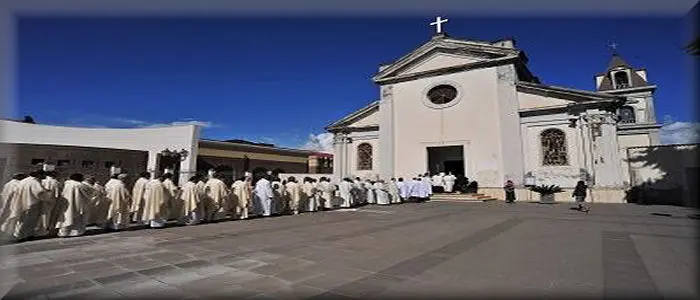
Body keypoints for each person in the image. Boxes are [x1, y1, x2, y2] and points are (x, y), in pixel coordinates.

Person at [56, 173, 92, 237]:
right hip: (77, 204)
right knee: (76, 218)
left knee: (67, 217)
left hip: (66, 204)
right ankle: (75, 232)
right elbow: (89, 192)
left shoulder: (66, 183)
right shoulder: (80, 185)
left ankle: (64, 232)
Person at [37, 171, 61, 237]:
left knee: (41, 214)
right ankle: (45, 229)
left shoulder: (42, 181)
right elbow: (57, 193)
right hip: (52, 201)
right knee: (49, 215)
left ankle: (39, 228)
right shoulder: (56, 182)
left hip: (42, 200)